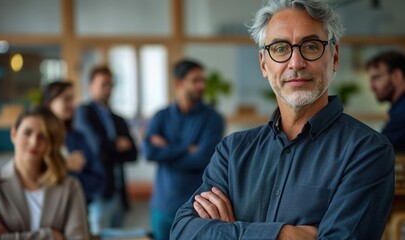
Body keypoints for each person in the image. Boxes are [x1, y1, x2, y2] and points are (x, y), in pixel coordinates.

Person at [170, 0, 395, 239]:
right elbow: (183, 231)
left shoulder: (367, 151)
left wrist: (228, 232)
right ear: (263, 64)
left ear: (335, 57)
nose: (296, 63)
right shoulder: (232, 151)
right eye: (279, 48)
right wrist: (283, 234)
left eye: (310, 46)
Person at [0, 106, 89, 239]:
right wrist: (51, 236)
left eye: (42, 136)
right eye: (27, 133)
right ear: (13, 134)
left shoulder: (70, 187)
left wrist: (9, 237)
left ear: (51, 143)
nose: (34, 142)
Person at [143, 59, 224, 240]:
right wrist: (186, 148)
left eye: (203, 80)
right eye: (195, 81)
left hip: (197, 208)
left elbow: (202, 158)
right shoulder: (161, 116)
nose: (202, 85)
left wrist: (166, 150)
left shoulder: (213, 119)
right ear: (179, 83)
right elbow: (148, 152)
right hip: (163, 205)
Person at [74, 65, 138, 234]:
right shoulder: (84, 112)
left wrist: (109, 149)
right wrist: (117, 145)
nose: (108, 89)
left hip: (119, 191)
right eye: (103, 84)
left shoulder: (118, 118)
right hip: (99, 192)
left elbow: (133, 154)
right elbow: (97, 146)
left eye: (110, 84)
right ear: (91, 86)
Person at [43, 81, 106, 204]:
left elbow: (99, 180)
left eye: (72, 99)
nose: (72, 104)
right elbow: (37, 180)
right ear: (50, 104)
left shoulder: (79, 138)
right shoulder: (40, 140)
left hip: (79, 207)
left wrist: (66, 174)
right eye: (66, 99)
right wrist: (65, 166)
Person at [366, 50, 405, 153]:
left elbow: (380, 150)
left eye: (376, 77)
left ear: (396, 75)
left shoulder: (402, 112)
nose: (372, 87)